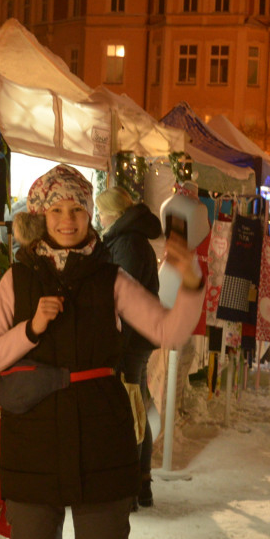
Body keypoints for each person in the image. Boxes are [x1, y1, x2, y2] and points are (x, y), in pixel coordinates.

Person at [0, 165, 203, 539]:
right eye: (56, 210)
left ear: (90, 213)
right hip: (33, 451)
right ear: (41, 215)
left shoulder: (111, 277)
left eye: (77, 209)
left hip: (102, 446)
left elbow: (168, 329)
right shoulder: (16, 280)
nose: (67, 220)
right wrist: (31, 329)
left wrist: (189, 271)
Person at [96, 186, 161, 509]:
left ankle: (132, 487)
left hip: (131, 340)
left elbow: (124, 297)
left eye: (100, 211)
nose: (98, 217)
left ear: (114, 214)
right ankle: (140, 484)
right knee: (135, 404)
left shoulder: (128, 243)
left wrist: (116, 341)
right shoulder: (128, 240)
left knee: (130, 407)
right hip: (138, 337)